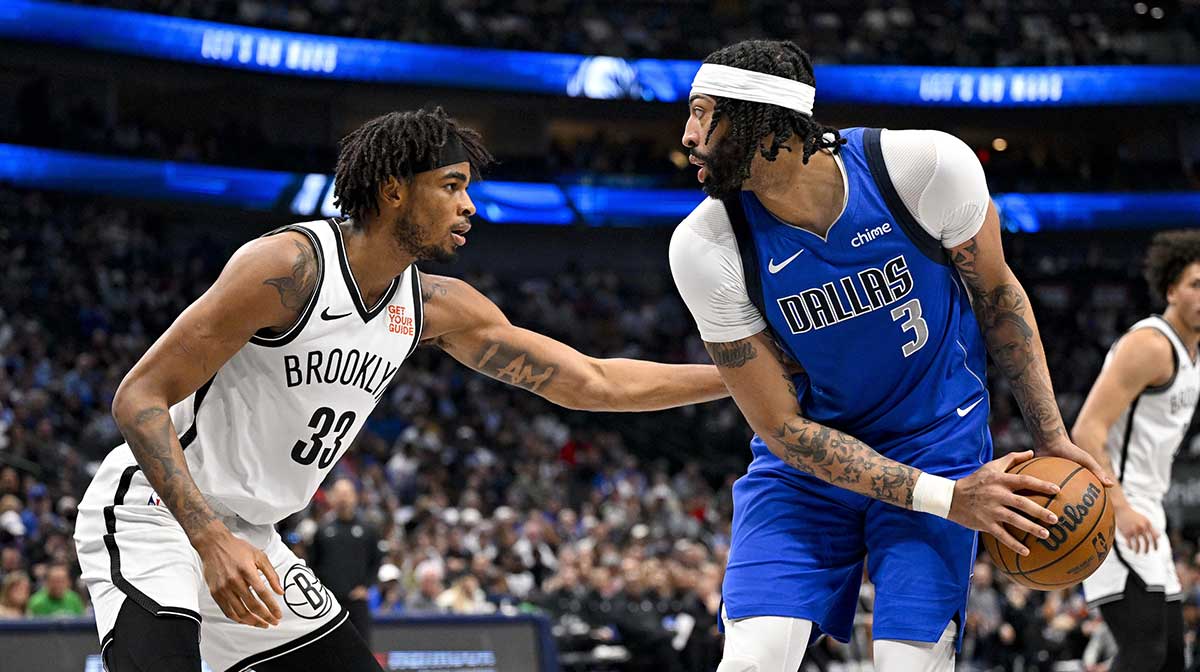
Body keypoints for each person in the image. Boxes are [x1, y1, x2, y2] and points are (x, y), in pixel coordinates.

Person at [73, 107, 729, 672]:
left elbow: (592, 382)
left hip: (255, 537)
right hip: (155, 513)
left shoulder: (436, 306)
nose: (469, 205)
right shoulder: (288, 269)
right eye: (451, 185)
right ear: (393, 191)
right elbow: (139, 396)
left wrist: (741, 379)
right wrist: (210, 539)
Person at [668, 39, 1111, 671]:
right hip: (810, 462)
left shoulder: (920, 167)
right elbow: (783, 428)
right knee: (751, 661)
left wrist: (1051, 437)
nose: (687, 136)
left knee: (909, 663)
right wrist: (948, 500)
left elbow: (997, 298)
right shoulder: (706, 246)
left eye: (702, 114)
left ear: (764, 123)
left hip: (936, 440)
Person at [1073, 229, 1200, 672]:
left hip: (1148, 510)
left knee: (1172, 658)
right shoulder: (1151, 344)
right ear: (1171, 290)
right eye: (1196, 285)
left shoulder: (1191, 355)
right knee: (1145, 651)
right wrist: (1120, 508)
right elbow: (1086, 429)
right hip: (1113, 507)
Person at [308, 478, 381, 643]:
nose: (343, 498)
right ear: (332, 498)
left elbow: (376, 561)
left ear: (355, 497)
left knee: (361, 648)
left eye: (347, 494)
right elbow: (312, 564)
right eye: (339, 494)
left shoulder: (368, 529)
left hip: (357, 602)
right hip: (329, 603)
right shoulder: (322, 530)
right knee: (330, 649)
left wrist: (366, 586)